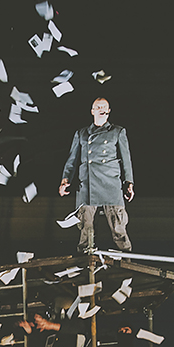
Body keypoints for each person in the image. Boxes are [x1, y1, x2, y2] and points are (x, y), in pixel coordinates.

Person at [59, 98, 134, 253]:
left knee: (118, 227)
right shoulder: (81, 133)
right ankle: (85, 263)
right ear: (92, 111)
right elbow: (72, 159)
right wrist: (65, 180)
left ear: (109, 111)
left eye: (104, 107)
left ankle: (126, 264)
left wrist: (129, 182)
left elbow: (126, 159)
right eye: (98, 107)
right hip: (87, 185)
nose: (101, 109)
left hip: (111, 184)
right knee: (86, 230)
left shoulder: (117, 131)